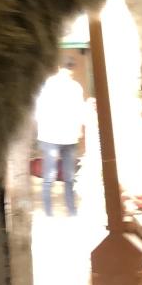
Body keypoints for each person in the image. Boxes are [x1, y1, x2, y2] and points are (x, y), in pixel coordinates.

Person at [35, 60, 85, 217]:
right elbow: (40, 109)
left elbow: (79, 110)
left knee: (66, 176)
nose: (69, 71)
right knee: (53, 175)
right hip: (53, 135)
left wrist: (79, 129)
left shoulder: (75, 87)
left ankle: (68, 210)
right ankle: (52, 211)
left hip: (64, 136)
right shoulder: (50, 85)